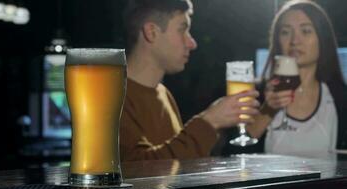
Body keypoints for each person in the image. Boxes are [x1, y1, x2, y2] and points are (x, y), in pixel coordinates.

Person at [120, 0, 260, 161]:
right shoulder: (110, 95)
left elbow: (178, 168)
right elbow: (138, 171)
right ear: (151, 32)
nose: (192, 43)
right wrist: (209, 122)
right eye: (182, 30)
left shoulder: (163, 93)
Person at [247, 0, 347, 157]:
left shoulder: (340, 97)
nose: (294, 41)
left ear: (322, 38)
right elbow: (232, 156)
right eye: (286, 32)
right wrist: (269, 109)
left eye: (306, 31)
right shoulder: (257, 94)